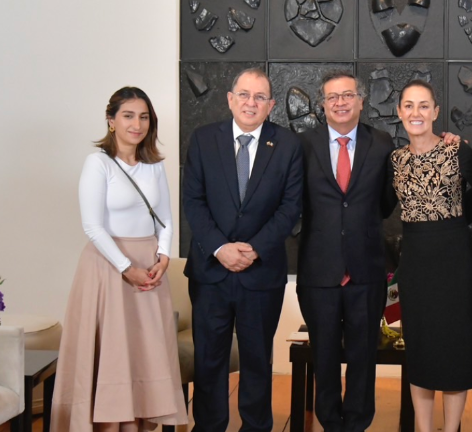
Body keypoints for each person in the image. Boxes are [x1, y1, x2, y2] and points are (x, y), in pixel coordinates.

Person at [51, 87, 187, 432]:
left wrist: (163, 256)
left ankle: (138, 424)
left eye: (144, 117)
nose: (136, 124)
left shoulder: (154, 165)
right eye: (128, 116)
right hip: (109, 268)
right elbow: (92, 226)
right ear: (111, 121)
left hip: (150, 267)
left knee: (145, 352)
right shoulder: (97, 163)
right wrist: (128, 270)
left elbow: (166, 219)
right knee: (112, 352)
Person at [182, 68, 303, 432]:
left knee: (257, 360)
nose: (251, 103)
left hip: (261, 273)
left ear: (271, 105)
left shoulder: (288, 145)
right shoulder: (203, 140)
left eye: (260, 97)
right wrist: (220, 247)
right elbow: (193, 201)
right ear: (230, 99)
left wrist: (252, 249)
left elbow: (290, 207)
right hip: (210, 273)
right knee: (209, 361)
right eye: (245, 95)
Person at [390, 80, 472, 432]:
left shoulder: (457, 151)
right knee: (419, 350)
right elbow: (380, 206)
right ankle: (423, 428)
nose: (415, 112)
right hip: (415, 263)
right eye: (408, 105)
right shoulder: (396, 160)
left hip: (453, 261)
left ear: (435, 112)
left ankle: (451, 430)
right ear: (400, 112)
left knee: (455, 348)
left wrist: (458, 218)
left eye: (423, 106)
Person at [296, 70, 397, 432]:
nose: (340, 102)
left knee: (362, 356)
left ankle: (356, 424)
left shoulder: (382, 142)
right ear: (323, 105)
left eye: (347, 95)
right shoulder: (302, 145)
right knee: (323, 356)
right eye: (332, 97)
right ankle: (330, 424)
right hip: (318, 270)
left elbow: (386, 204)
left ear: (361, 100)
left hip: (366, 270)